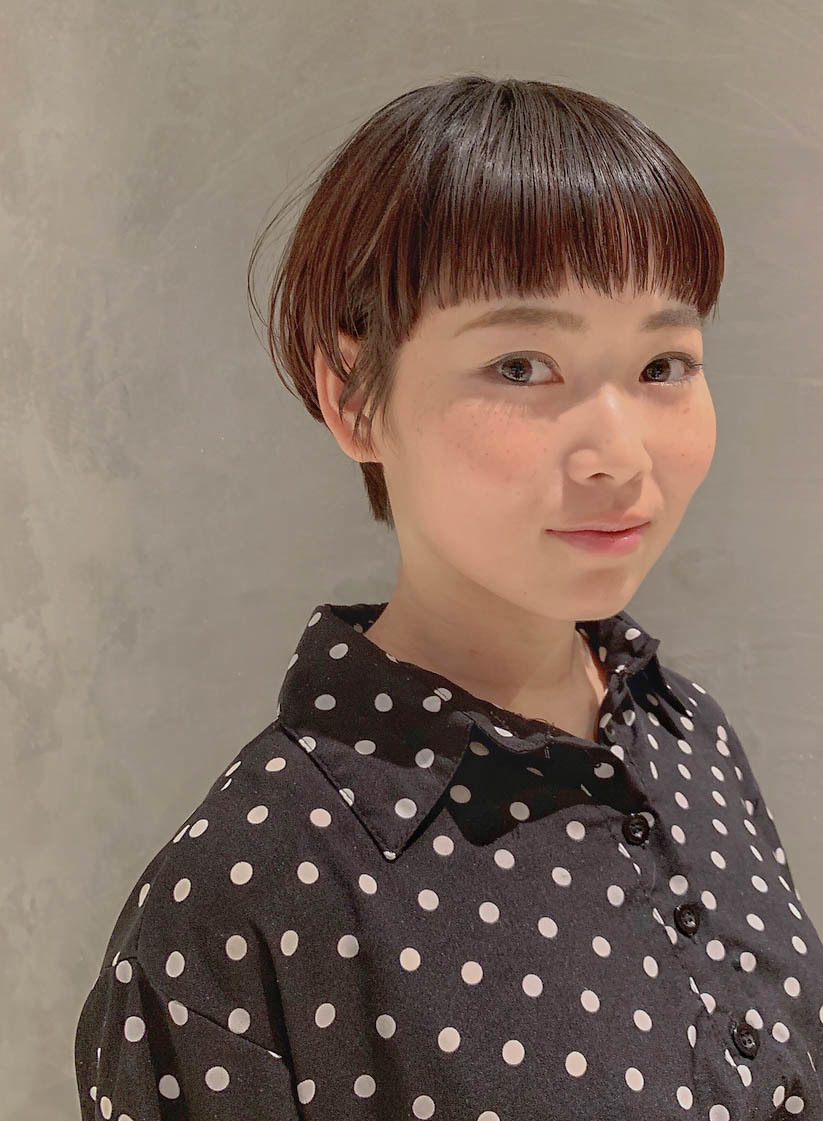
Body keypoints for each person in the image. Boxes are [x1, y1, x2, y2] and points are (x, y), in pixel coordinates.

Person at [74, 74, 823, 1120]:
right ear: (353, 395)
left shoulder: (685, 731)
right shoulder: (241, 896)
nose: (618, 453)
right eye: (521, 365)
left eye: (663, 363)